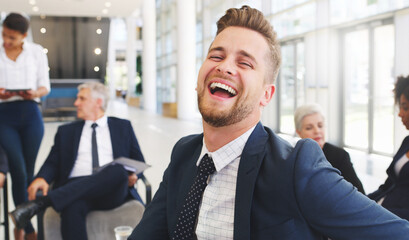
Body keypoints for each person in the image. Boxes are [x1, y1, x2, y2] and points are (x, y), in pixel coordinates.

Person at [129, 5, 409, 240]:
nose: (224, 66)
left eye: (245, 63)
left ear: (267, 94)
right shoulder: (184, 154)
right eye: (217, 55)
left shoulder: (297, 167)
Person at [9, 81, 146, 240]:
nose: (76, 103)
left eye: (81, 99)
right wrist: (41, 177)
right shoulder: (66, 131)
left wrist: (134, 175)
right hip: (75, 188)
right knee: (71, 207)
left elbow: (138, 161)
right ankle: (46, 201)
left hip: (111, 189)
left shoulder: (122, 126)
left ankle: (42, 203)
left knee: (117, 169)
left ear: (98, 102)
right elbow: (52, 162)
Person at [0, 12, 50, 240]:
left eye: (12, 37)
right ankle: (29, 230)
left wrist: (33, 92)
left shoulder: (36, 52)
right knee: (18, 171)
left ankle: (19, 226)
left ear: (23, 36)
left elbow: (44, 86)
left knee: (29, 174)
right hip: (4, 114)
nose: (6, 41)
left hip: (31, 113)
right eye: (4, 35)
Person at [294, 103, 365, 194]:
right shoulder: (294, 159)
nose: (317, 131)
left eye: (320, 126)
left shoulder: (340, 156)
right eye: (309, 128)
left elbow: (359, 193)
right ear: (299, 132)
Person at [367, 75, 409, 221]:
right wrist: (363, 201)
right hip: (381, 209)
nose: (400, 113)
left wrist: (380, 215)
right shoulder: (407, 142)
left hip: (395, 221)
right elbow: (389, 184)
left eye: (405, 108)